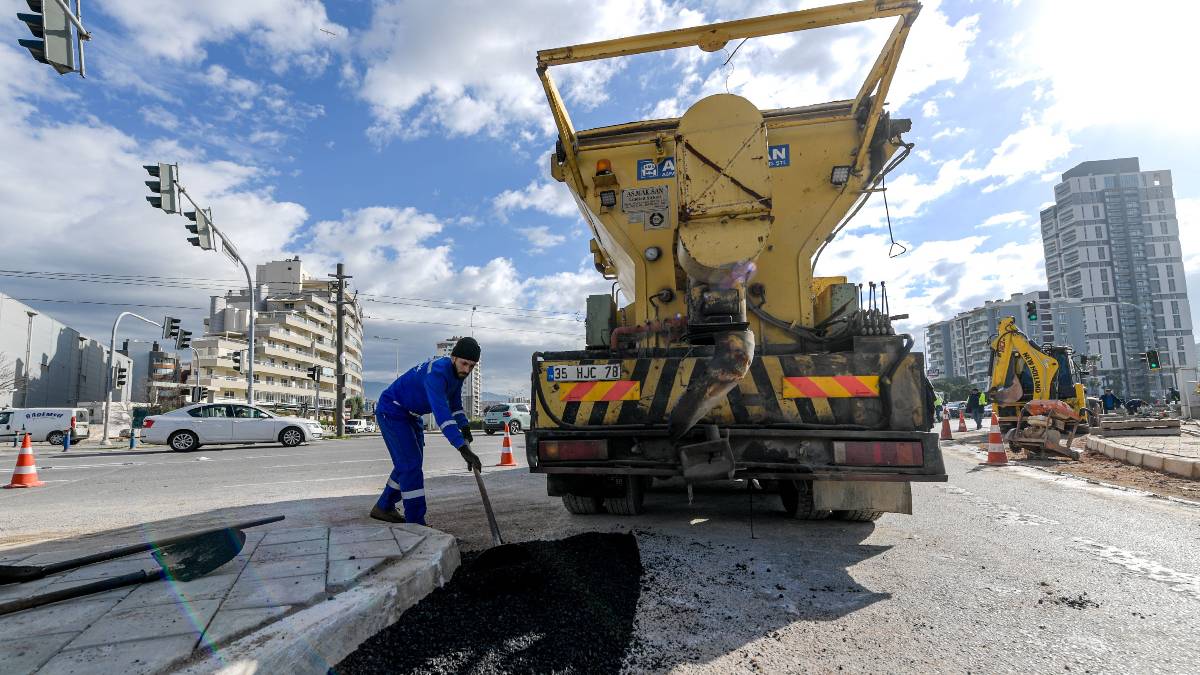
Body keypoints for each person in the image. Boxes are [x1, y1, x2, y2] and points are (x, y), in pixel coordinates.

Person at [371, 337, 483, 525]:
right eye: (464, 363)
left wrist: (464, 427)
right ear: (453, 358)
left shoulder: (457, 375)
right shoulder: (436, 374)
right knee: (410, 465)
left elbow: (455, 405)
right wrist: (462, 448)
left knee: (410, 463)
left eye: (471, 366)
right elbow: (443, 415)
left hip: (412, 416)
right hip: (392, 411)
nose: (467, 370)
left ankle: (384, 506)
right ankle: (416, 522)